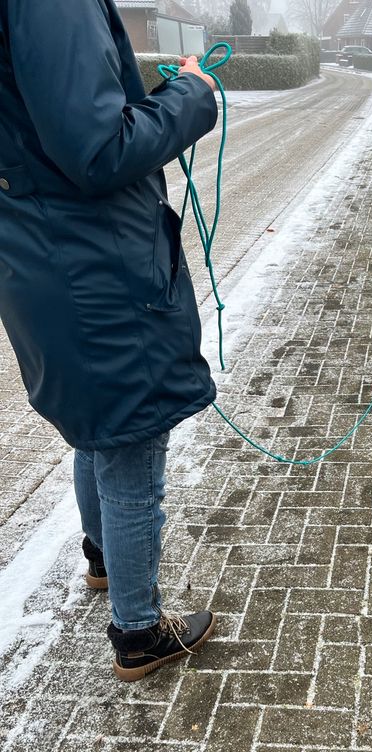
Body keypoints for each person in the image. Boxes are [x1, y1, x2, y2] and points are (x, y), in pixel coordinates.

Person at [0, 0, 220, 681]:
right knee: (130, 438)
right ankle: (138, 629)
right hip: (91, 265)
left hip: (44, 253)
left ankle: (104, 560)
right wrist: (192, 96)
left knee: (99, 426)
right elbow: (98, 151)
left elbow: (57, 126)